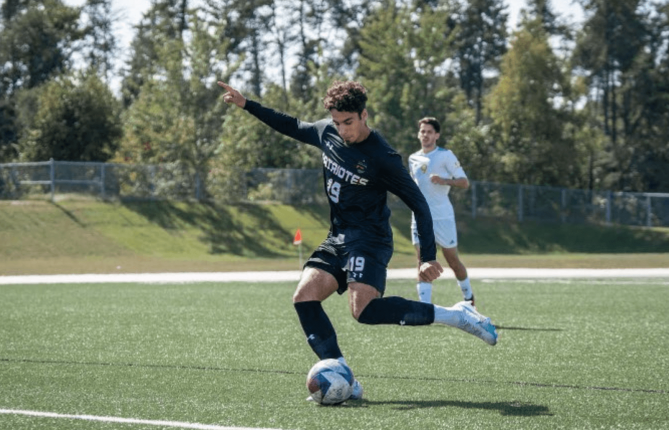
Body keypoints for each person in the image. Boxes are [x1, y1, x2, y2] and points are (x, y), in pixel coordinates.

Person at [217, 80, 497, 401]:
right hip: (337, 236)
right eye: (337, 122)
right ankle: (345, 378)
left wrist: (427, 257)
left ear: (364, 115)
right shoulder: (328, 133)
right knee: (304, 298)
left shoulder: (383, 157)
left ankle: (458, 315)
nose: (343, 129)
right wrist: (246, 104)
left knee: (362, 311)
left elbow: (418, 203)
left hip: (370, 239)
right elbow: (291, 125)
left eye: (348, 122)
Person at [408, 117, 475, 305]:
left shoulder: (445, 155)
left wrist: (444, 180)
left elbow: (464, 182)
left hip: (443, 217)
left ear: (437, 135)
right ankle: (425, 308)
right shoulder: (413, 158)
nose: (425, 135)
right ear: (418, 134)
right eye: (422, 131)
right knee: (422, 261)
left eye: (429, 132)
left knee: (452, 259)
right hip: (420, 217)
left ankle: (469, 298)